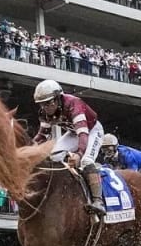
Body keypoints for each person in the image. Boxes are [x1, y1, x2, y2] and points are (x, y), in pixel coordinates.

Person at [33, 79, 105, 215]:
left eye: (48, 103)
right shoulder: (44, 113)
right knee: (54, 156)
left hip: (92, 131)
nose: (45, 107)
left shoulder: (74, 104)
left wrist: (79, 154)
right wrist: (27, 150)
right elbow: (41, 136)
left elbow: (83, 134)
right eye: (42, 104)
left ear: (57, 98)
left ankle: (98, 201)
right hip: (73, 132)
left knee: (86, 160)